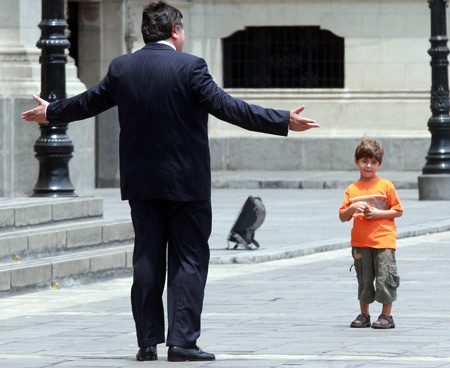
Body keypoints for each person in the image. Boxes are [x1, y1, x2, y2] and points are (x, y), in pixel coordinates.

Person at [21, 0, 320, 362]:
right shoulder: (191, 66)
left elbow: (88, 103)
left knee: (147, 256)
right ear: (175, 31)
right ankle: (181, 342)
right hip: (187, 182)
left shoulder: (122, 67)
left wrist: (51, 111)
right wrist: (282, 119)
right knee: (189, 258)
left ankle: (146, 341)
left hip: (141, 182)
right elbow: (229, 107)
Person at [339, 138, 403, 330]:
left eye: (373, 162)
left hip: (384, 241)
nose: (369, 166)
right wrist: (352, 207)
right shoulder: (352, 189)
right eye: (365, 161)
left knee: (385, 278)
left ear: (379, 164)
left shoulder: (386, 186)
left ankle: (386, 315)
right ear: (356, 162)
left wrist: (377, 214)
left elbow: (398, 210)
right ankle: (364, 314)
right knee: (364, 279)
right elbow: (342, 216)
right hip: (361, 242)